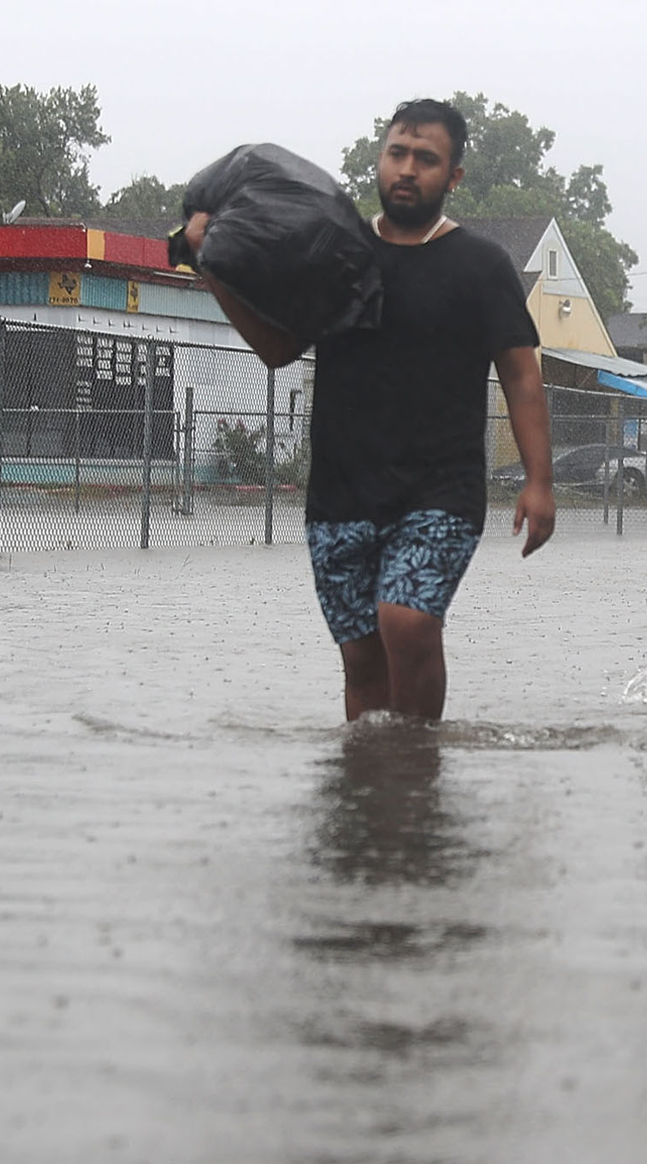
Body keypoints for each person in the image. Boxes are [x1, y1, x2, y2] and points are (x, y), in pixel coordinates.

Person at [185, 97, 555, 722]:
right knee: (360, 658)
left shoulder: (481, 264)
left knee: (406, 624)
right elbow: (279, 348)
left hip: (439, 490)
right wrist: (211, 266)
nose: (408, 170)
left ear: (453, 177)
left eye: (427, 160)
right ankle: (368, 794)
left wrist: (539, 481)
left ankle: (416, 774)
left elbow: (520, 374)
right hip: (340, 490)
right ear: (379, 160)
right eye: (397, 154)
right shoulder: (335, 251)